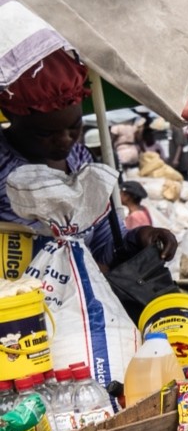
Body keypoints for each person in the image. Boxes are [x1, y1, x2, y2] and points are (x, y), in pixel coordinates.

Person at [0, 49, 177, 268]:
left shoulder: (81, 160)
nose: (65, 140)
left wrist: (140, 237)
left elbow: (105, 245)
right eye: (45, 134)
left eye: (74, 127)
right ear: (10, 115)